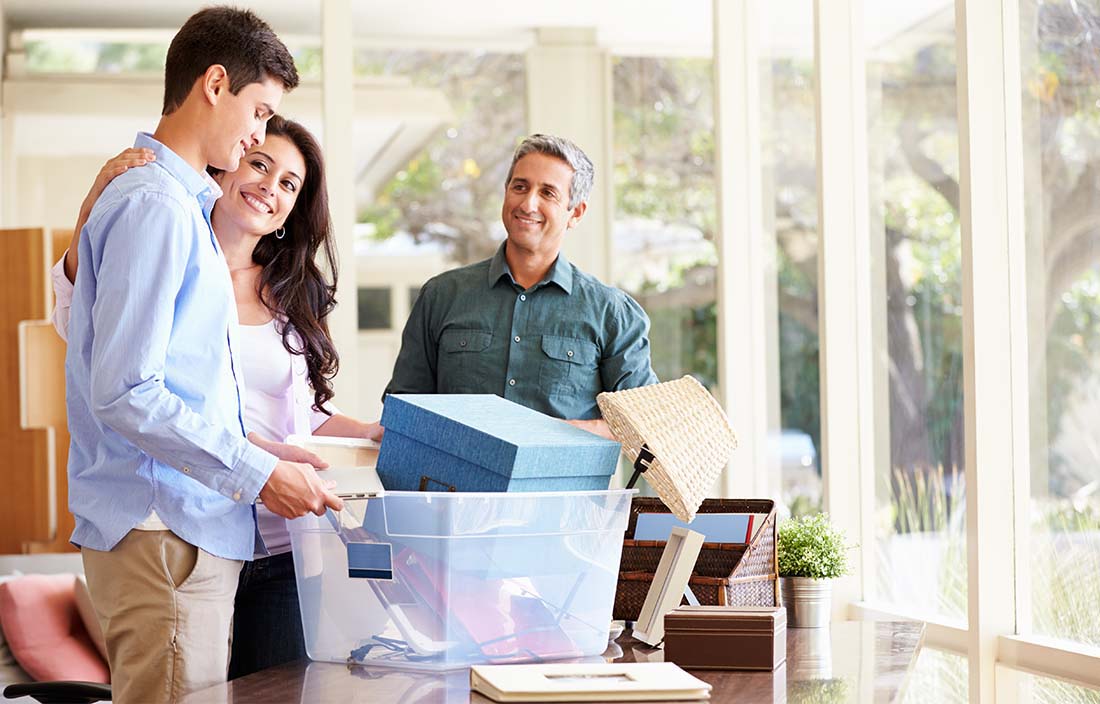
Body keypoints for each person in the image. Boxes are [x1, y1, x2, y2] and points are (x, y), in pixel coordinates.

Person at [61, 8, 343, 702]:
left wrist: (268, 454)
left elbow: (177, 392)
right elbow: (126, 392)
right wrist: (258, 474)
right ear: (215, 83)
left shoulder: (178, 205)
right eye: (259, 111)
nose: (257, 132)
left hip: (183, 532)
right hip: (166, 532)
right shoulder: (155, 205)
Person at [384, 134, 659, 438]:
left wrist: (549, 434)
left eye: (548, 193)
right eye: (520, 187)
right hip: (458, 487)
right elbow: (402, 413)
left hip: (567, 486)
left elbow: (642, 426)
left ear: (575, 212)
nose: (528, 204)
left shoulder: (612, 312)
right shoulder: (442, 296)